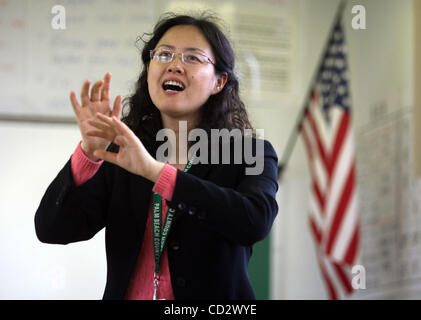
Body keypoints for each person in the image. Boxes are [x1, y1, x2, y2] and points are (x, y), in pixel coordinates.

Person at [35, 12, 279, 300]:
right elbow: (53, 229)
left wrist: (156, 172)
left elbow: (254, 221)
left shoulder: (248, 152)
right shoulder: (124, 150)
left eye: (192, 58)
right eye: (164, 54)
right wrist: (88, 153)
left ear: (219, 82)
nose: (175, 65)